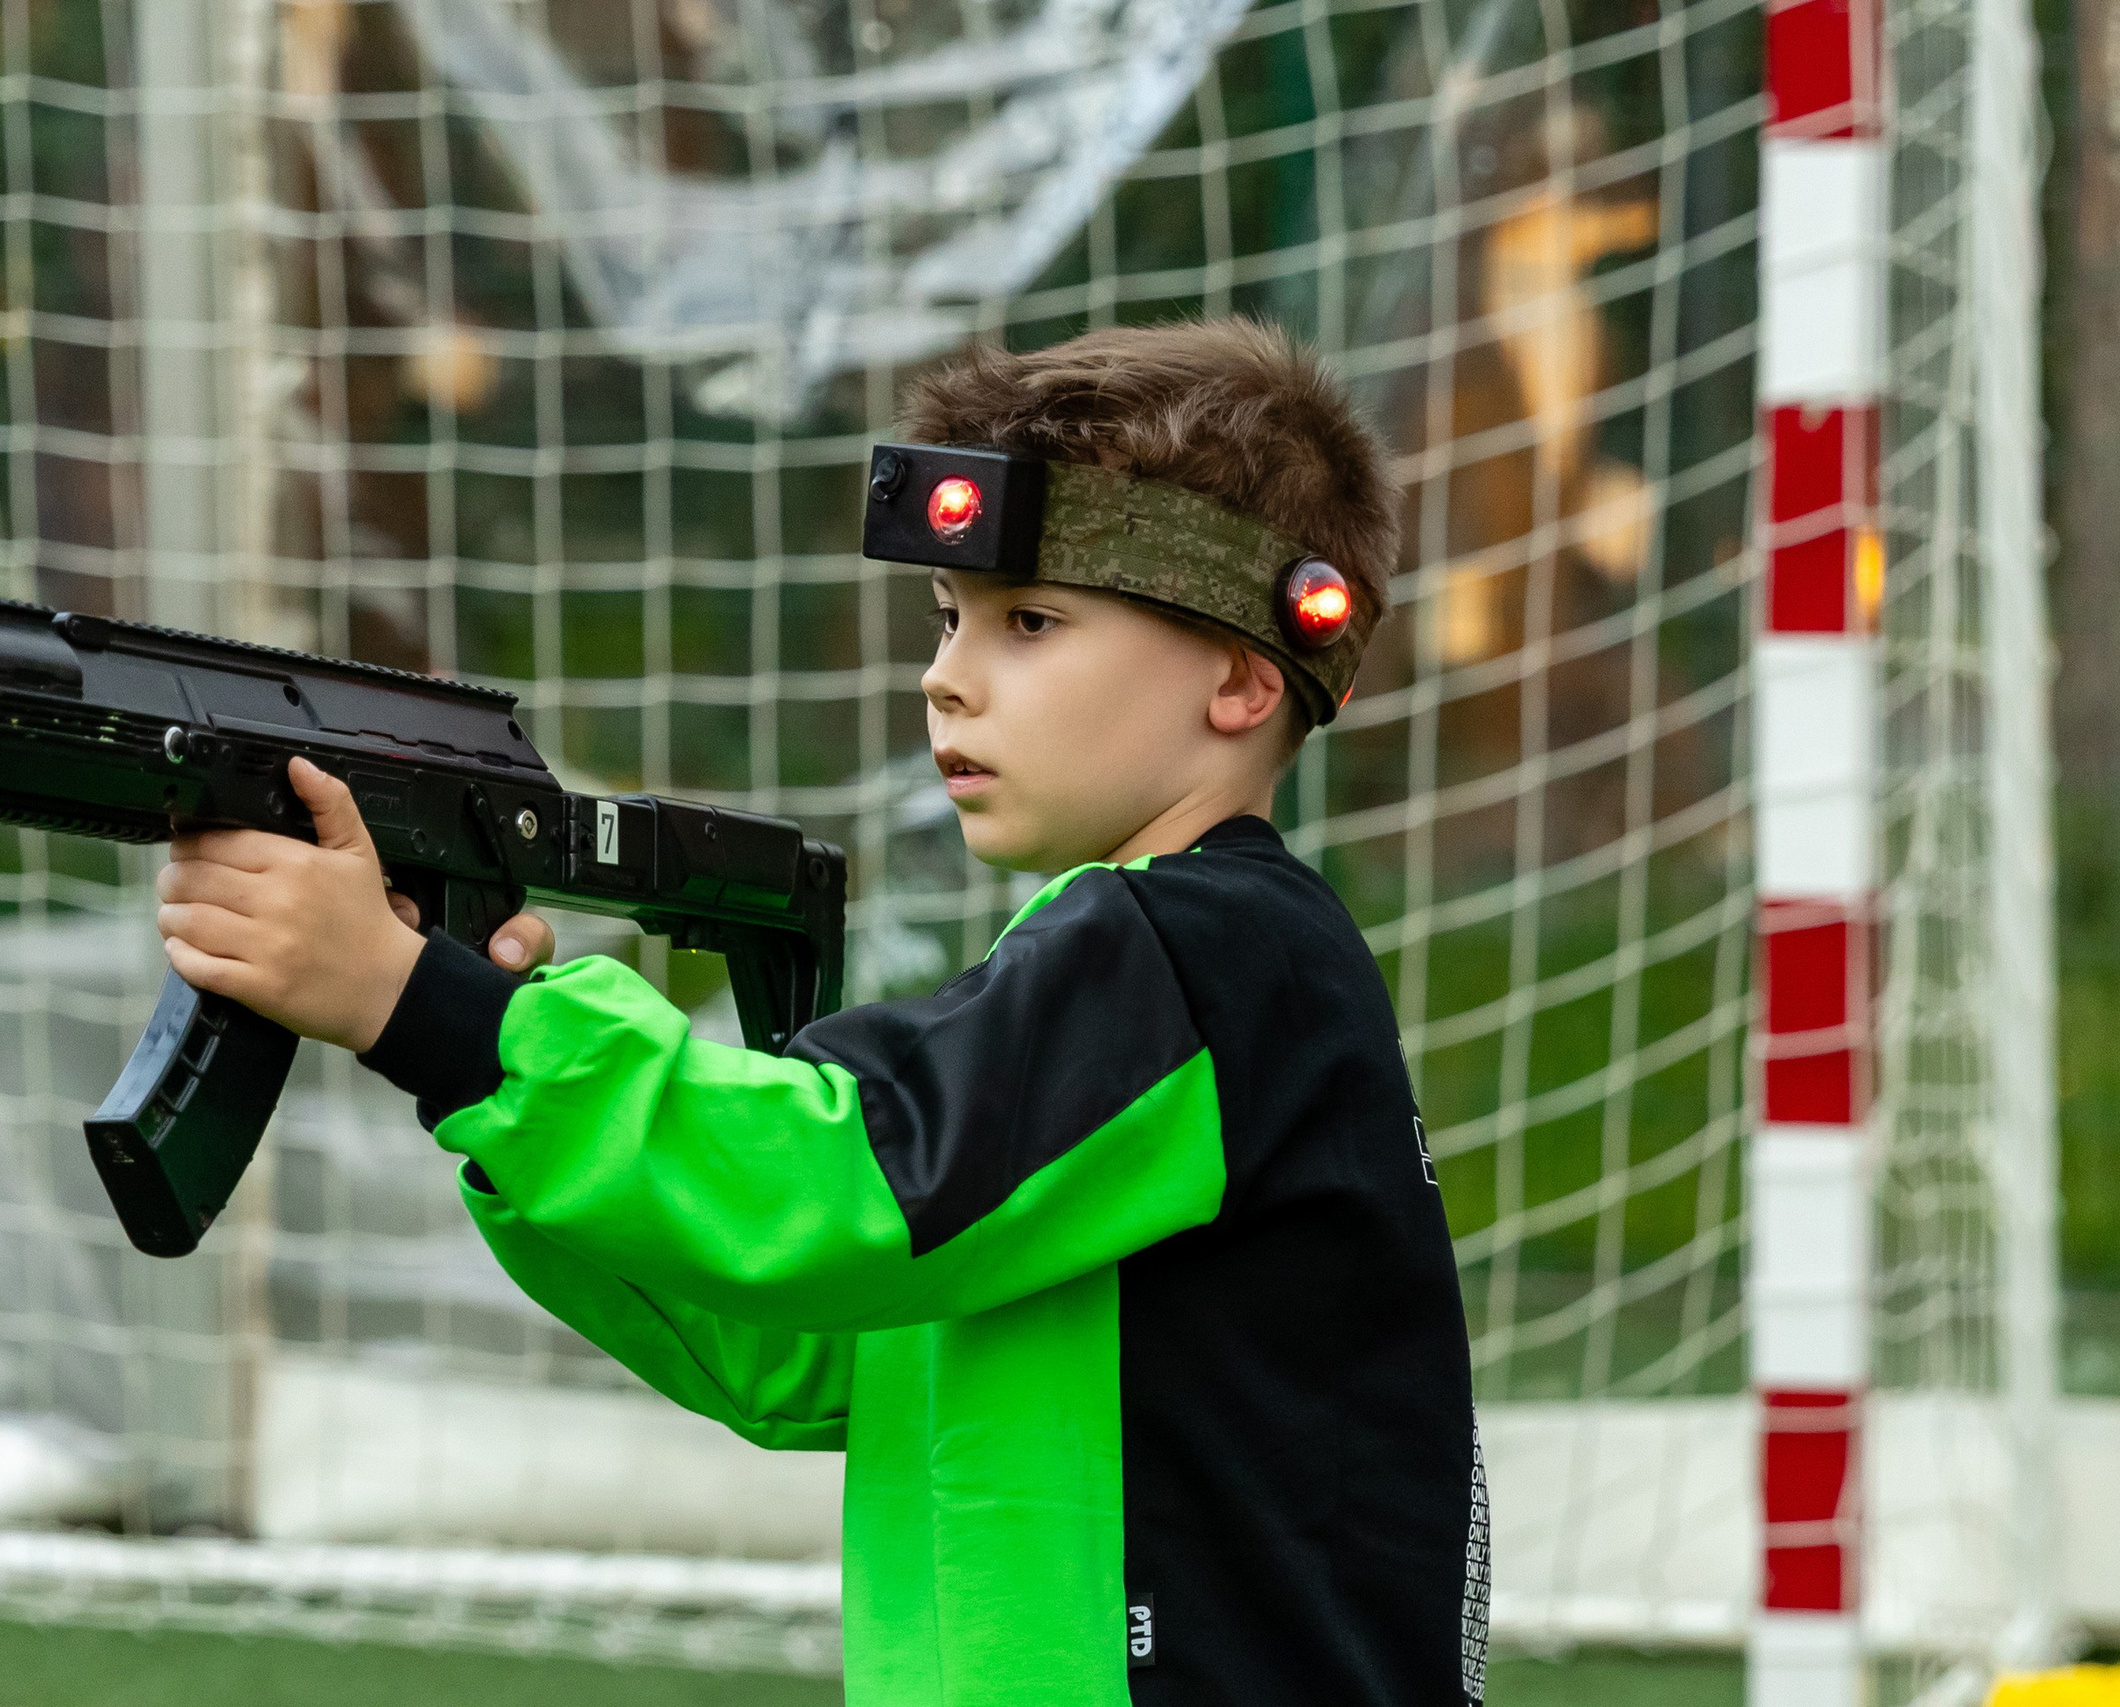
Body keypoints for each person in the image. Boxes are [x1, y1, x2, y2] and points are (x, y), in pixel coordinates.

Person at [152, 317, 1490, 1705]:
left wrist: (423, 1010)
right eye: (950, 620)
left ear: (1242, 676)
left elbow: (849, 1181)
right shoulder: (1164, 964)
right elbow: (807, 1344)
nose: (947, 675)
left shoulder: (1210, 946)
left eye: (1031, 622)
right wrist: (466, 1056)